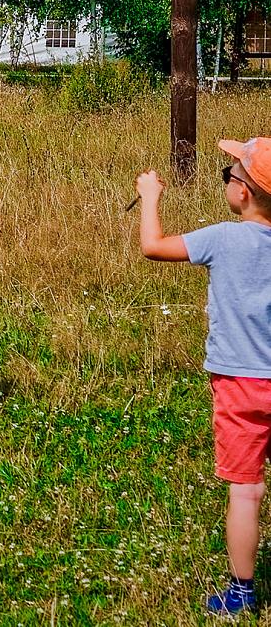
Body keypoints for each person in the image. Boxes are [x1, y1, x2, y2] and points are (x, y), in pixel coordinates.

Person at [136, 137, 271, 618]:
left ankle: (241, 591)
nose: (228, 182)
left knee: (247, 489)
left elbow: (153, 246)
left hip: (238, 383)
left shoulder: (223, 238)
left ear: (244, 194)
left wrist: (151, 197)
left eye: (230, 175)